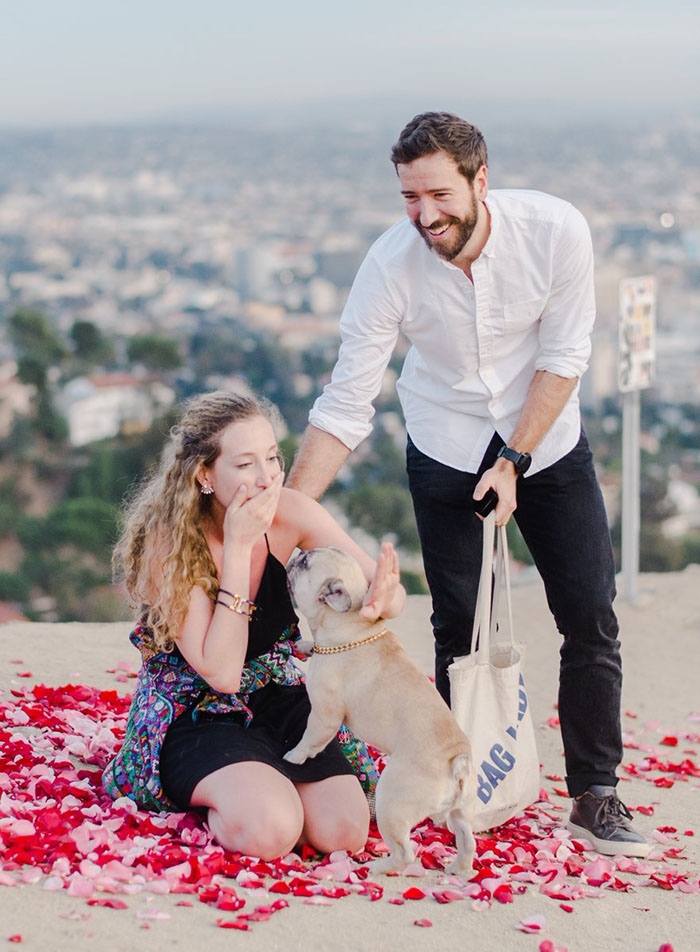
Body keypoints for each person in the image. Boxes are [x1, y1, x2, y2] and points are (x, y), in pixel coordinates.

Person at [287, 112, 649, 858]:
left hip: (545, 442)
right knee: (460, 632)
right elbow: (348, 402)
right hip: (445, 443)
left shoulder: (556, 231)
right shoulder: (390, 265)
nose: (425, 216)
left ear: (482, 179)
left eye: (439, 195)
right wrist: (284, 516)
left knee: (589, 612)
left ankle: (596, 793)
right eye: (409, 199)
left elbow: (565, 353)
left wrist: (514, 458)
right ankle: (462, 786)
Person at [103, 390, 405, 861]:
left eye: (272, 458)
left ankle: (261, 778)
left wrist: (385, 597)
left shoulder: (290, 512)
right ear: (204, 475)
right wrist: (240, 550)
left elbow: (383, 588)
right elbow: (220, 673)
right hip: (195, 709)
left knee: (345, 833)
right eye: (244, 465)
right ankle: (237, 792)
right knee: (271, 833)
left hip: (275, 695)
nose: (266, 478)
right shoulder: (170, 544)